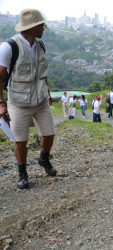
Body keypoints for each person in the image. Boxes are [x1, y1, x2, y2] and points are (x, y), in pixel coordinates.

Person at [0, 9, 57, 189]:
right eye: (42, 25)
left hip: (40, 100)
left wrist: (47, 94)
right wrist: (1, 103)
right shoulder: (9, 47)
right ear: (32, 27)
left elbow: (42, 73)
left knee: (49, 134)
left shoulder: (40, 45)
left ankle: (43, 158)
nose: (44, 28)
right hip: (18, 102)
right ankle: (22, 173)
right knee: (20, 140)